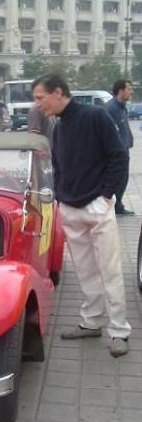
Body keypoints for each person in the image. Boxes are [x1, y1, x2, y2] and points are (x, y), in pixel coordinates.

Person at [32, 73, 131, 357]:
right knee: (85, 270)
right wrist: (61, 196)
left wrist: (107, 196)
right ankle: (91, 322)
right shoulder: (59, 127)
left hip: (96, 206)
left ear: (58, 92)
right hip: (71, 207)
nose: (38, 105)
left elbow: (118, 156)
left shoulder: (96, 116)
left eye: (41, 98)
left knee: (109, 269)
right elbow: (60, 164)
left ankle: (119, 331)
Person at [105, 79, 134, 215]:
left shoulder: (122, 107)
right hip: (116, 153)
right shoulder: (111, 108)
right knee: (118, 180)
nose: (131, 91)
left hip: (124, 150)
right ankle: (115, 207)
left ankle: (118, 206)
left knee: (123, 180)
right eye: (129, 88)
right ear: (121, 91)